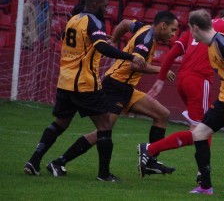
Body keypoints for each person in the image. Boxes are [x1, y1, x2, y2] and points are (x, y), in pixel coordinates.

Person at [140, 9, 224, 199]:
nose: (191, 37)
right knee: (199, 134)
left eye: (190, 32)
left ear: (195, 28)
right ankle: (206, 186)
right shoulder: (211, 46)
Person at [23, 0, 146, 182]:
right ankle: (104, 175)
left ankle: (33, 160)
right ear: (96, 4)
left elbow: (78, 43)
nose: (107, 10)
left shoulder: (74, 19)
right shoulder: (94, 20)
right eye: (105, 6)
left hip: (65, 81)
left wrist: (97, 41)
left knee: (60, 123)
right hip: (84, 82)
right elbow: (101, 48)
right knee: (105, 125)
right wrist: (130, 56)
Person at [45, 11, 179, 178]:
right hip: (115, 87)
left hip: (127, 88)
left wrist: (114, 40)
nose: (173, 35)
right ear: (162, 26)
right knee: (102, 131)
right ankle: (59, 161)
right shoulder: (146, 39)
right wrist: (160, 70)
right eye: (172, 30)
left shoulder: (143, 27)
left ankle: (150, 161)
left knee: (162, 115)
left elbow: (123, 23)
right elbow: (134, 66)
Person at [144, 6, 224, 181]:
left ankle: (201, 173)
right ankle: (150, 150)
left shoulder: (195, 26)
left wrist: (160, 81)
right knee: (205, 129)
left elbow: (171, 55)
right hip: (200, 80)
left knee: (197, 129)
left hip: (183, 80)